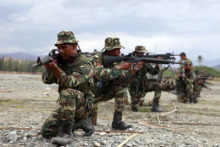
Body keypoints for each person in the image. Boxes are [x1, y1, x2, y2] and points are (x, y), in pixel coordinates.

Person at [40, 31, 95, 145]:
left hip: (84, 106)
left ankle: (65, 133)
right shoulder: (62, 62)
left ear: (74, 46)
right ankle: (80, 123)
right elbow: (47, 81)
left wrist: (55, 68)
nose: (61, 51)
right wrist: (50, 68)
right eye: (59, 48)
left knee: (67, 92)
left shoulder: (86, 64)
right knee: (47, 131)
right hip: (69, 107)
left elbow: (70, 82)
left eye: (64, 47)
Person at [91, 37, 138, 130]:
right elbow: (101, 75)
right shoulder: (96, 58)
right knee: (91, 126)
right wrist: (119, 67)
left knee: (122, 89)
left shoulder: (117, 61)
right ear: (109, 50)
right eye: (117, 50)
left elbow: (125, 82)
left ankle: (117, 121)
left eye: (119, 49)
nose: (119, 52)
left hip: (103, 92)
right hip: (91, 96)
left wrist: (134, 70)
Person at [128, 45, 163, 112]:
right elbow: (128, 73)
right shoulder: (131, 61)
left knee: (158, 86)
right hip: (134, 87)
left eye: (142, 53)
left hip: (144, 85)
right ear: (136, 53)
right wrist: (137, 67)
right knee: (135, 109)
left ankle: (155, 106)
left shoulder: (145, 62)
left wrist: (157, 65)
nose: (142, 54)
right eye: (140, 53)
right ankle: (141, 103)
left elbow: (154, 72)